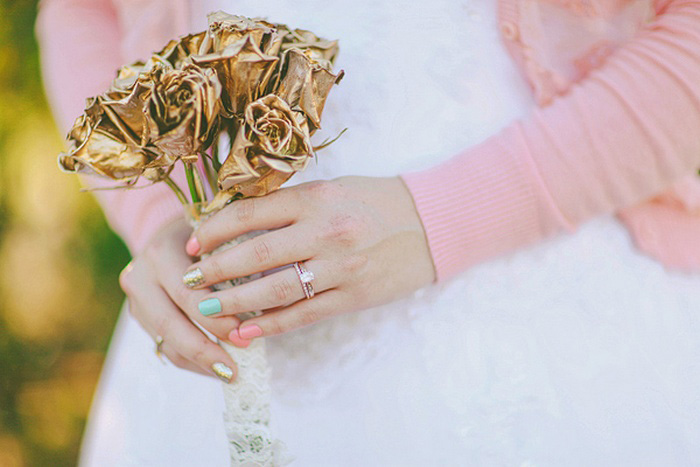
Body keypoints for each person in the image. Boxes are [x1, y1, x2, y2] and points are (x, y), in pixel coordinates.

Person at [37, 0, 700, 465]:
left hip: (557, 287)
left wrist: (440, 215)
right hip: (216, 346)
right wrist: (159, 219)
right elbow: (80, 10)